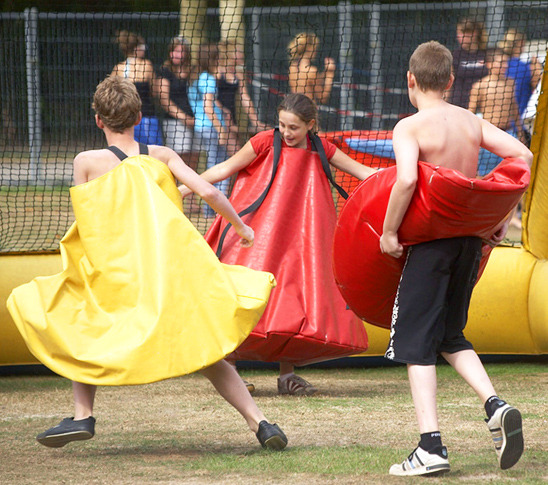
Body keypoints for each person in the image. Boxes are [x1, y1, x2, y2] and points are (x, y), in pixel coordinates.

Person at [17, 76, 287, 451]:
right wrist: (240, 226)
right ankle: (261, 423)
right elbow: (207, 190)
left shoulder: (86, 162)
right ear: (140, 117)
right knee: (207, 350)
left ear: (98, 120)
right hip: (165, 275)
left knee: (80, 330)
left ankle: (83, 416)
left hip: (116, 275)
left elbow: (89, 218)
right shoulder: (161, 155)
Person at [379, 41, 531, 477]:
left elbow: (406, 178)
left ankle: (430, 447)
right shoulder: (471, 120)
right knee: (449, 335)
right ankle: (495, 405)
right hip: (468, 243)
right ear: (449, 81)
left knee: (415, 344)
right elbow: (523, 155)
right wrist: (498, 215)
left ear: (410, 80)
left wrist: (389, 233)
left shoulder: (409, 127)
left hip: (430, 244)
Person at [180, 93, 375, 396]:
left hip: (301, 239)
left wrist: (403, 175)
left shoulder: (322, 148)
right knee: (243, 292)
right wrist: (183, 189)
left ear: (311, 125)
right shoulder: (264, 142)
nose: (286, 132)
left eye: (294, 127)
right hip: (259, 234)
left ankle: (288, 374)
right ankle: (230, 368)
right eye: (282, 125)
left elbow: (365, 173)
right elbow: (224, 169)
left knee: (296, 298)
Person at [158, 36, 201, 214]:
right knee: (178, 160)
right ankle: (175, 197)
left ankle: (190, 199)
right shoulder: (164, 71)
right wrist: (184, 118)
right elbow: (164, 101)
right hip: (175, 123)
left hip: (197, 122)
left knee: (194, 159)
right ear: (170, 52)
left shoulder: (194, 71)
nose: (178, 54)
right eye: (175, 50)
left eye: (182, 50)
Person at [188, 43, 230, 217]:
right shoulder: (209, 79)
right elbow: (207, 106)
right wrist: (221, 130)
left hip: (202, 127)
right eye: (219, 56)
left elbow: (209, 102)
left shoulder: (199, 77)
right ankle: (214, 209)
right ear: (213, 58)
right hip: (211, 127)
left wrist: (223, 109)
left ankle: (212, 208)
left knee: (214, 165)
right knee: (218, 167)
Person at [468, 48, 521, 175]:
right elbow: (470, 113)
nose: (505, 65)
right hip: (488, 137)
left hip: (508, 134)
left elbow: (514, 108)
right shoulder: (480, 86)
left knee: (511, 173)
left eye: (505, 62)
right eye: (501, 62)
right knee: (486, 175)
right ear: (489, 64)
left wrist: (520, 132)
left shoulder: (510, 83)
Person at [216, 40, 269, 157]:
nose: (242, 54)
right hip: (216, 119)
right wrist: (223, 112)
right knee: (228, 156)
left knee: (236, 155)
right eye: (238, 52)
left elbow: (244, 97)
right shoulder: (217, 71)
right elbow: (209, 97)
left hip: (231, 119)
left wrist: (255, 120)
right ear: (230, 53)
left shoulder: (238, 73)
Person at [111, 30, 163, 145]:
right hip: (146, 117)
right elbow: (154, 92)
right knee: (151, 153)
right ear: (136, 48)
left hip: (125, 120)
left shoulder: (118, 68)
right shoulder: (146, 65)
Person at [498, 29, 543, 120]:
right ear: (521, 43)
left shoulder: (496, 66)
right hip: (520, 123)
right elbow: (540, 87)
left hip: (497, 122)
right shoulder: (526, 68)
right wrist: (537, 67)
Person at [448, 18, 488, 108]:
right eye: (458, 33)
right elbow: (447, 85)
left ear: (474, 33)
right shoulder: (453, 56)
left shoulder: (487, 55)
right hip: (459, 105)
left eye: (463, 33)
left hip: (483, 106)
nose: (459, 36)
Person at [287, 32, 336, 104]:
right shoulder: (311, 71)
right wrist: (330, 74)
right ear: (309, 48)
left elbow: (310, 82)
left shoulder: (292, 67)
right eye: (315, 47)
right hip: (309, 112)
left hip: (296, 109)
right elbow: (323, 98)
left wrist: (325, 72)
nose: (316, 51)